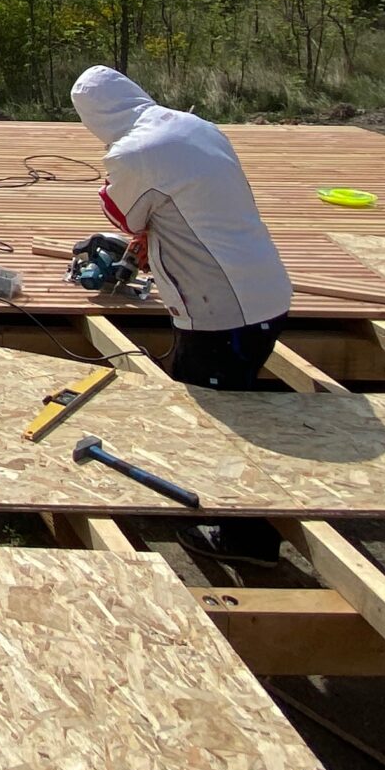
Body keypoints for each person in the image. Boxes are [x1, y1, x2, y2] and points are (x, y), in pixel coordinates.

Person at [70, 64, 292, 568]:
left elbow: (125, 216)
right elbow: (194, 202)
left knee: (221, 420)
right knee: (235, 398)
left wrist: (148, 233)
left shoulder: (131, 153)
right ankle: (243, 516)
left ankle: (246, 539)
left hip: (224, 310)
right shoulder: (195, 125)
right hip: (266, 290)